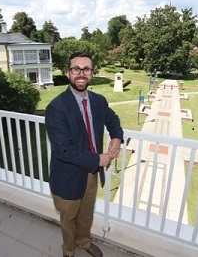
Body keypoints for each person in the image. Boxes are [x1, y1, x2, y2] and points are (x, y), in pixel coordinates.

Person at [45, 52, 123, 257]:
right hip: (68, 175)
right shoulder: (56, 108)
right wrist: (99, 159)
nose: (81, 73)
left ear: (92, 73)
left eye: (86, 69)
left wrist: (116, 137)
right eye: (76, 69)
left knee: (86, 213)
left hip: (90, 173)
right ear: (68, 72)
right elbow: (63, 149)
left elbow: (112, 119)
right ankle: (69, 251)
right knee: (69, 217)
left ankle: (83, 241)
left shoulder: (98, 100)